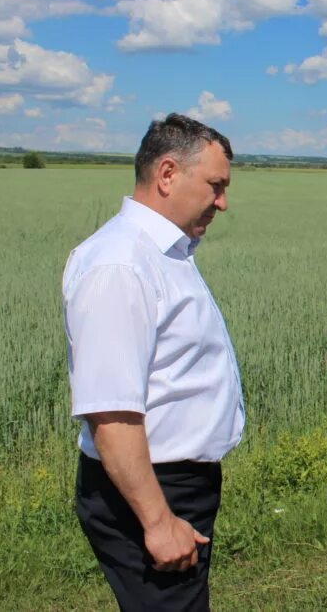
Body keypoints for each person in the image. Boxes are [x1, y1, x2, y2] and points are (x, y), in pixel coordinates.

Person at [63, 113, 243, 611]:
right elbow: (112, 413)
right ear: (167, 174)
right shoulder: (121, 264)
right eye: (215, 185)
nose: (223, 202)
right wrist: (159, 521)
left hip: (171, 481)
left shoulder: (163, 253)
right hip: (148, 487)